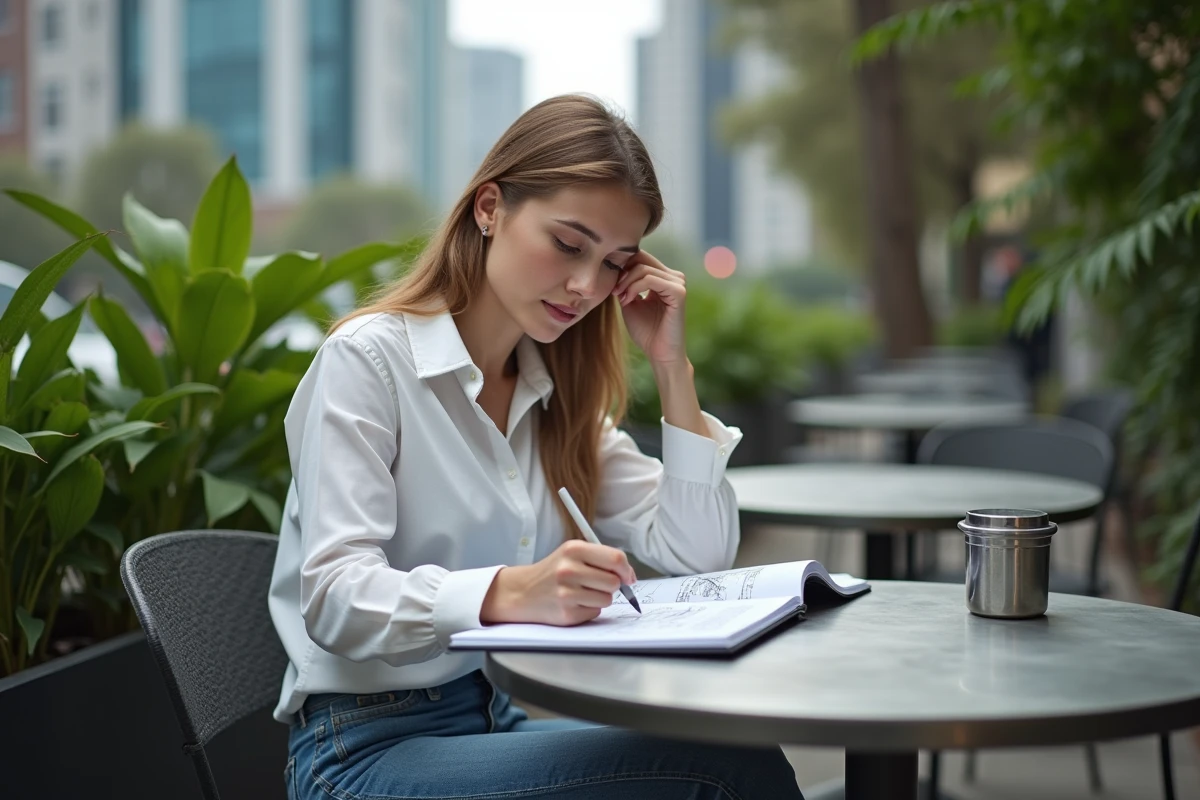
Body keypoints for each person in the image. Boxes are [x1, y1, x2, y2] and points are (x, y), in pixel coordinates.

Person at [268, 94, 804, 800]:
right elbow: (333, 597)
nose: (587, 286)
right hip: (361, 750)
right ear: (490, 208)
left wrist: (674, 369)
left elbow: (697, 551)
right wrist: (510, 592)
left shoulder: (554, 395)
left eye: (614, 263)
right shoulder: (369, 363)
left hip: (490, 720)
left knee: (730, 746)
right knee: (729, 772)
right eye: (568, 244)